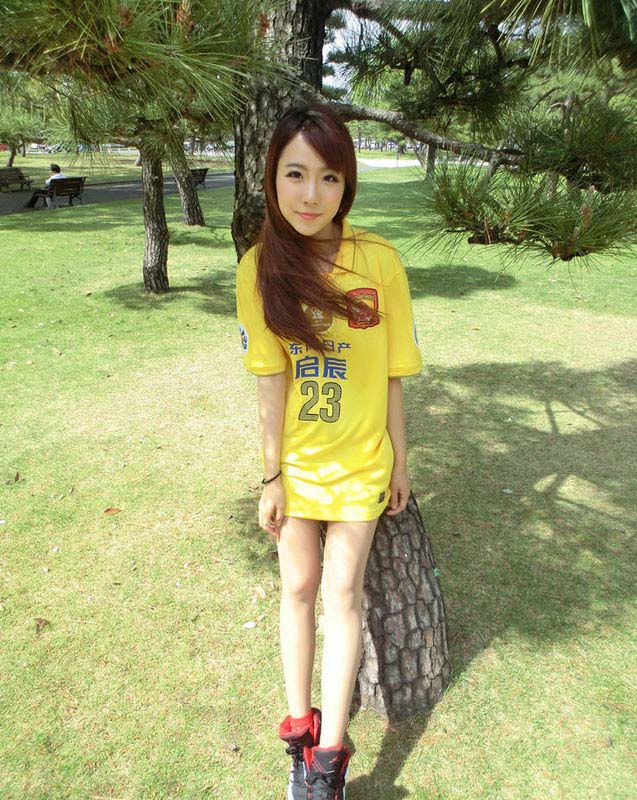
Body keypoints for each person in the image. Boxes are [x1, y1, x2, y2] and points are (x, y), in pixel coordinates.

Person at [236, 104, 422, 800]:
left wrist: (400, 461)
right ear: (272, 179)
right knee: (297, 588)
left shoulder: (379, 261)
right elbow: (270, 379)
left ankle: (329, 760)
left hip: (362, 464)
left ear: (347, 184)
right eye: (295, 174)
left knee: (342, 594)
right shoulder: (259, 267)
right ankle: (298, 734)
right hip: (298, 470)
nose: (310, 195)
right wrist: (272, 475)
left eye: (328, 177)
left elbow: (393, 373)